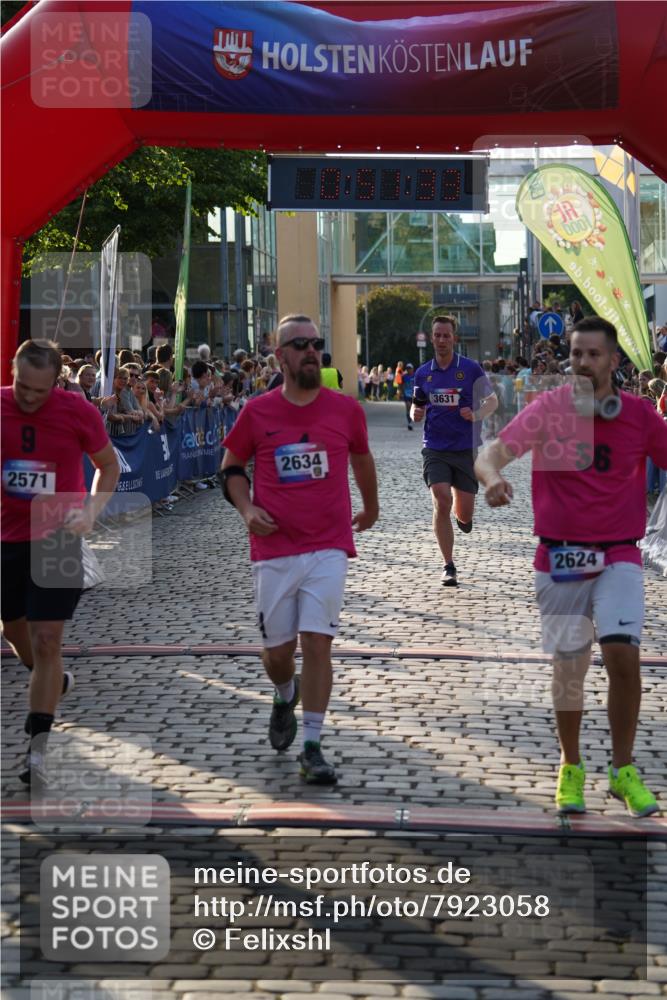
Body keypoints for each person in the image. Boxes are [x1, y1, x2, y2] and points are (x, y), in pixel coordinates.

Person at [475, 316, 667, 818]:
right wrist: (492, 480)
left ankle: (623, 769)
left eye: (593, 354)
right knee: (570, 668)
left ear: (614, 361)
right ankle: (570, 765)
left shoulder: (638, 415)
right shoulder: (550, 408)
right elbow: (490, 454)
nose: (582, 362)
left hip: (619, 553)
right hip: (559, 557)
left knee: (623, 657)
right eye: (576, 354)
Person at [220, 314, 379, 785]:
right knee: (277, 653)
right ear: (280, 357)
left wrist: (371, 507)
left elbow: (362, 457)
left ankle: (312, 746)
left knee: (317, 642)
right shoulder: (258, 412)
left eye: (316, 342)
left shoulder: (345, 410)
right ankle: (284, 692)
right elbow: (231, 467)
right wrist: (246, 508)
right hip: (274, 547)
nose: (312, 350)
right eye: (300, 344)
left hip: (328, 543)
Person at [1, 339, 120, 789]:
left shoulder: (77, 412)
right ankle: (51, 681)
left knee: (48, 640)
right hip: (6, 538)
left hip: (58, 538)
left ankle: (38, 754)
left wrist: (91, 512)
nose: (29, 398)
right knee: (13, 630)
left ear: (57, 383)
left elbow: (108, 466)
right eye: (22, 387)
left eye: (40, 390)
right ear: (12, 373)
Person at [411, 315, 497, 587]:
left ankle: (464, 519)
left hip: (465, 448)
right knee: (441, 499)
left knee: (465, 513)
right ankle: (448, 565)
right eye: (437, 335)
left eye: (446, 335)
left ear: (454, 339)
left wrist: (476, 414)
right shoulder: (423, 372)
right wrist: (415, 413)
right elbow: (417, 405)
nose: (441, 340)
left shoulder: (470, 369)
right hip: (434, 447)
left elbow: (492, 402)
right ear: (432, 337)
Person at [402, 362, 415, 430]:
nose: (408, 370)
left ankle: (411, 420)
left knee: (412, 408)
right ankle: (409, 422)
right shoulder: (404, 376)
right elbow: (402, 385)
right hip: (406, 394)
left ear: (412, 369)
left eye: (410, 368)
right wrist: (401, 393)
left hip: (414, 394)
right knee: (408, 407)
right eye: (407, 368)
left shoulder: (415, 375)